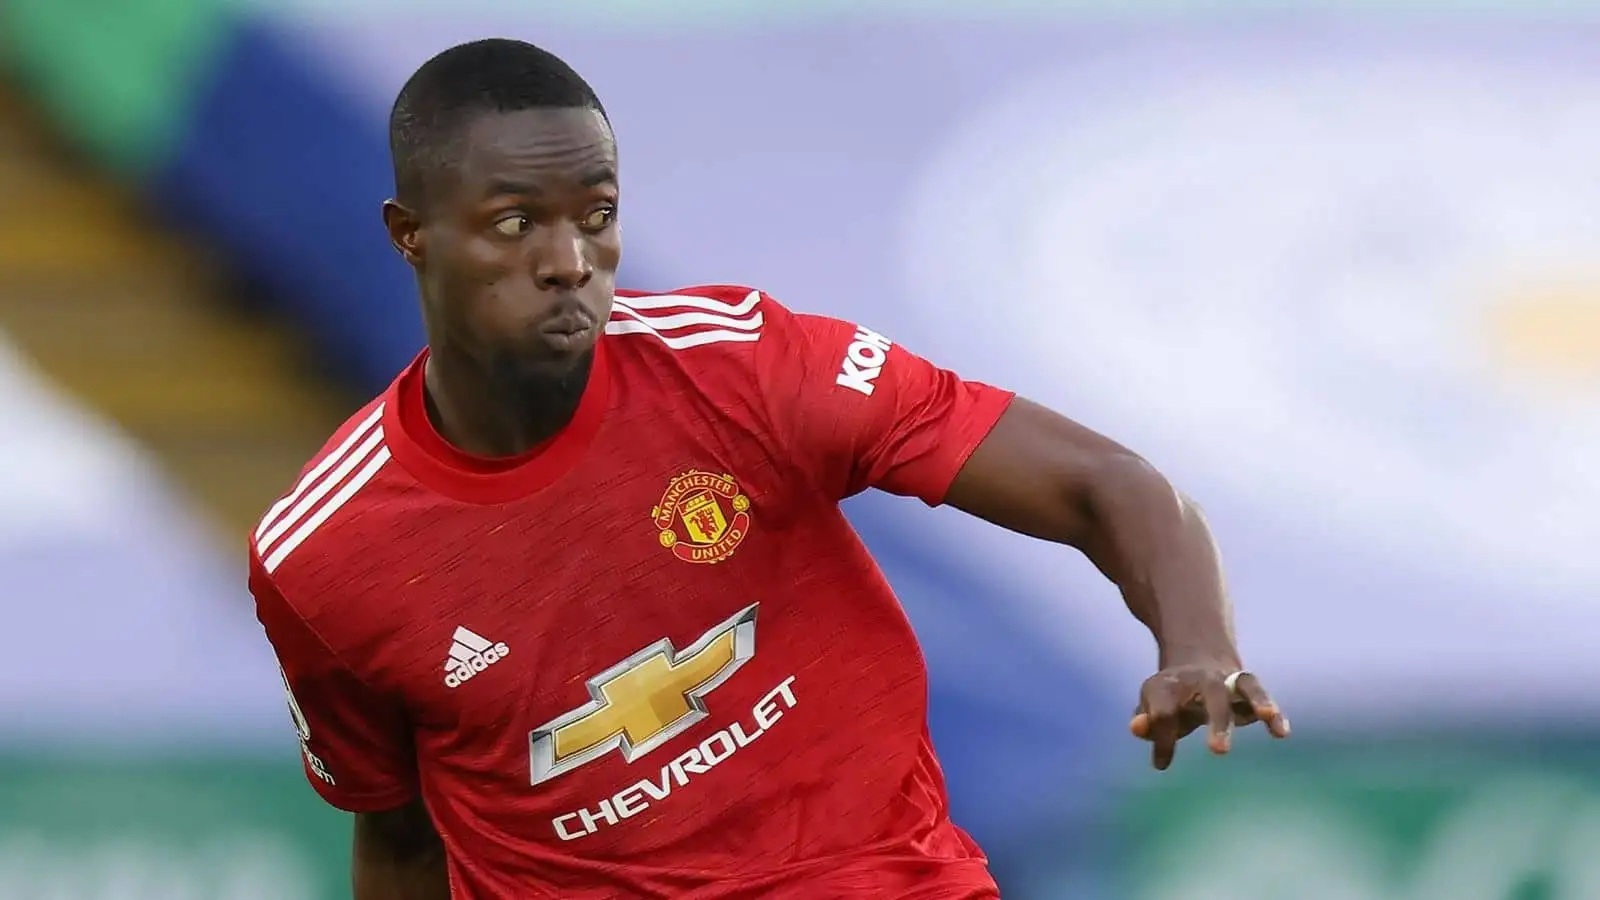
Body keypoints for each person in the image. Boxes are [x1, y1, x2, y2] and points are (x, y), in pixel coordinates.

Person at [249, 37, 1290, 900]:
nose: (568, 259)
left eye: (596, 215)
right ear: (410, 237)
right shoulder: (325, 557)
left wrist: (1195, 640)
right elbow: (398, 837)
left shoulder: (742, 362)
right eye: (515, 222)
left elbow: (1104, 481)